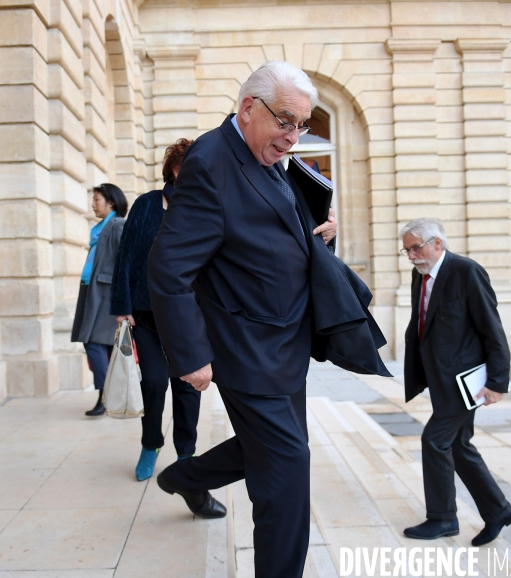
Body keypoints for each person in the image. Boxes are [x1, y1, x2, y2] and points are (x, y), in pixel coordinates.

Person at [147, 61, 338, 578]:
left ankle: (186, 476)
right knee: (287, 473)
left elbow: (266, 229)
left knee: (275, 449)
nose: (293, 138)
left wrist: (318, 232)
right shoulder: (210, 162)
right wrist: (190, 354)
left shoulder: (265, 152)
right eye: (286, 122)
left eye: (303, 125)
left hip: (283, 343)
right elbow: (169, 269)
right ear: (248, 108)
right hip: (246, 347)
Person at [109, 141, 225, 516]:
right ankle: (150, 442)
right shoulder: (146, 204)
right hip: (145, 314)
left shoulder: (207, 205)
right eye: (184, 165)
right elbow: (125, 256)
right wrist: (121, 306)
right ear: (173, 170)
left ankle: (186, 454)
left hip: (191, 317)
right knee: (155, 383)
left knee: (188, 387)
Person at [400, 218, 511, 546]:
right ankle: (498, 511)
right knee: (458, 445)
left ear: (437, 243)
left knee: (434, 441)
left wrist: (497, 381)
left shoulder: (467, 272)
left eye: (416, 248)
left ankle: (443, 518)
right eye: (407, 250)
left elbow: (492, 329)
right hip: (440, 379)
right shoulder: (419, 275)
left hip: (465, 382)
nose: (411, 256)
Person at [72, 184, 128, 416]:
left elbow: (126, 262)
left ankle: (107, 395)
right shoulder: (99, 230)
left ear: (111, 203)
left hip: (106, 293)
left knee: (94, 342)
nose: (93, 204)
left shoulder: (116, 226)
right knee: (100, 344)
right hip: (93, 291)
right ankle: (108, 396)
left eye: (97, 200)